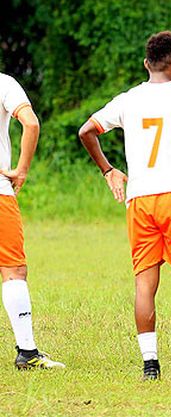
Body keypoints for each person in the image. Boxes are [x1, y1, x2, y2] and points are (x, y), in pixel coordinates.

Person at [78, 31, 171, 382]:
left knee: (145, 284)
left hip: (141, 198)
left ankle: (150, 366)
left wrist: (109, 170)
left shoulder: (128, 99)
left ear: (147, 63)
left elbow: (87, 131)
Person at [0, 73, 65, 370]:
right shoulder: (4, 83)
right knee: (13, 270)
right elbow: (31, 122)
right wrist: (21, 169)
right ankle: (27, 352)